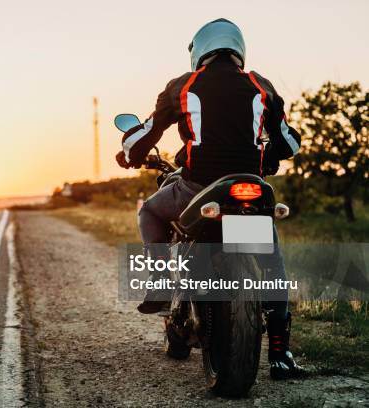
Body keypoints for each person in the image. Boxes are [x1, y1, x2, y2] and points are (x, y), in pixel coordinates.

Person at [115, 18, 304, 380]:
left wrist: (130, 154)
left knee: (150, 212)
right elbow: (289, 141)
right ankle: (281, 355)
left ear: (199, 51)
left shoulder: (182, 86)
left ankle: (161, 281)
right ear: (238, 49)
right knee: (272, 265)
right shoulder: (260, 85)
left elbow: (146, 132)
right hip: (250, 189)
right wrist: (270, 158)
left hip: (197, 186)